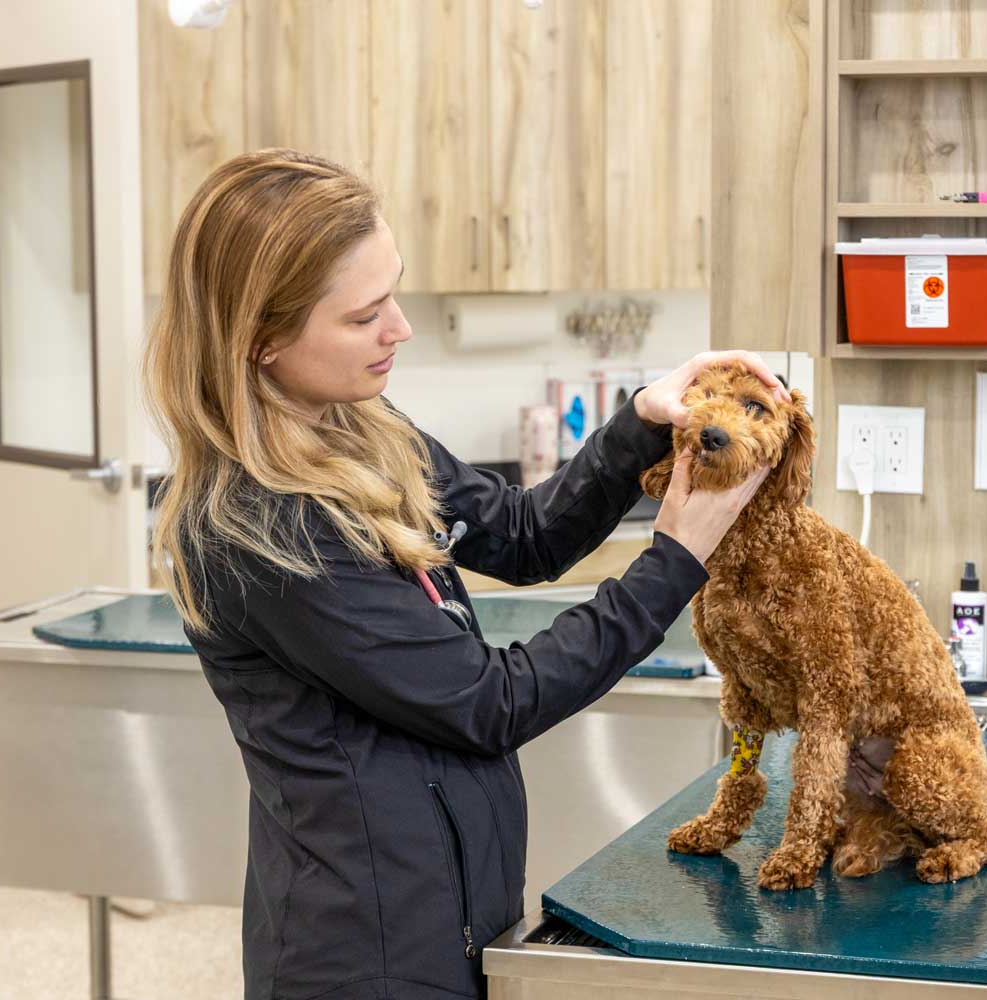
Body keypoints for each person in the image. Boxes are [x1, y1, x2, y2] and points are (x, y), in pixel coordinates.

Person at [142, 148, 785, 1000]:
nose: (400, 328)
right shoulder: (260, 527)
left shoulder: (359, 425)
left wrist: (638, 424)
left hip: (452, 909)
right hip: (366, 956)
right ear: (260, 340)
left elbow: (523, 537)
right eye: (365, 314)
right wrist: (674, 559)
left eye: (394, 291)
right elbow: (488, 703)